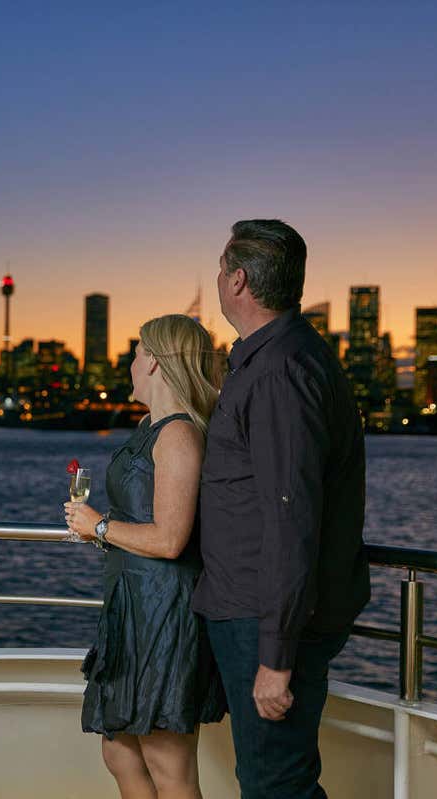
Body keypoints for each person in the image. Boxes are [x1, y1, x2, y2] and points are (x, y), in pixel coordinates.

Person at [194, 219, 370, 798]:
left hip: (263, 618)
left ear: (238, 280)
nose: (218, 279)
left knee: (275, 786)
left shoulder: (277, 373)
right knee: (271, 781)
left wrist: (275, 656)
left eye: (221, 270)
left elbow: (291, 518)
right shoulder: (271, 360)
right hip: (255, 610)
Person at [65, 313, 227, 799]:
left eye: (137, 352)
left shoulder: (179, 434)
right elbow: (142, 521)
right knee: (120, 752)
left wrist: (99, 525)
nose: (131, 362)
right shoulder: (147, 426)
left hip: (163, 614)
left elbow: (172, 540)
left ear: (155, 361)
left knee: (168, 764)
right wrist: (100, 532)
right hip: (132, 607)